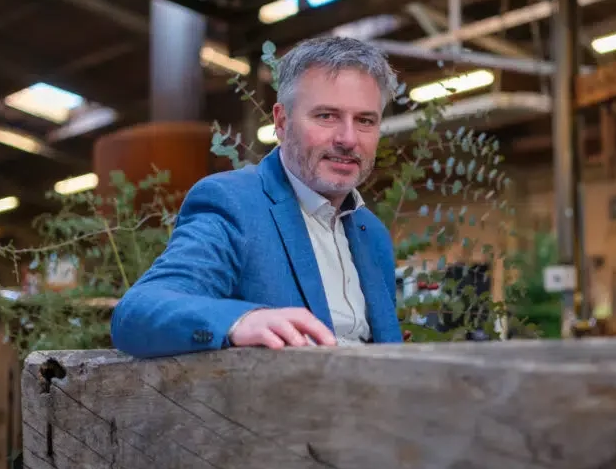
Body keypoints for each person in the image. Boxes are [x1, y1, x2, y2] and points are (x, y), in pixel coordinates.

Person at [110, 36, 403, 358]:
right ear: (282, 122)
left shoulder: (372, 233)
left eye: (365, 120)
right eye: (326, 116)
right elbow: (137, 313)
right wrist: (240, 321)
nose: (347, 139)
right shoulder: (233, 203)